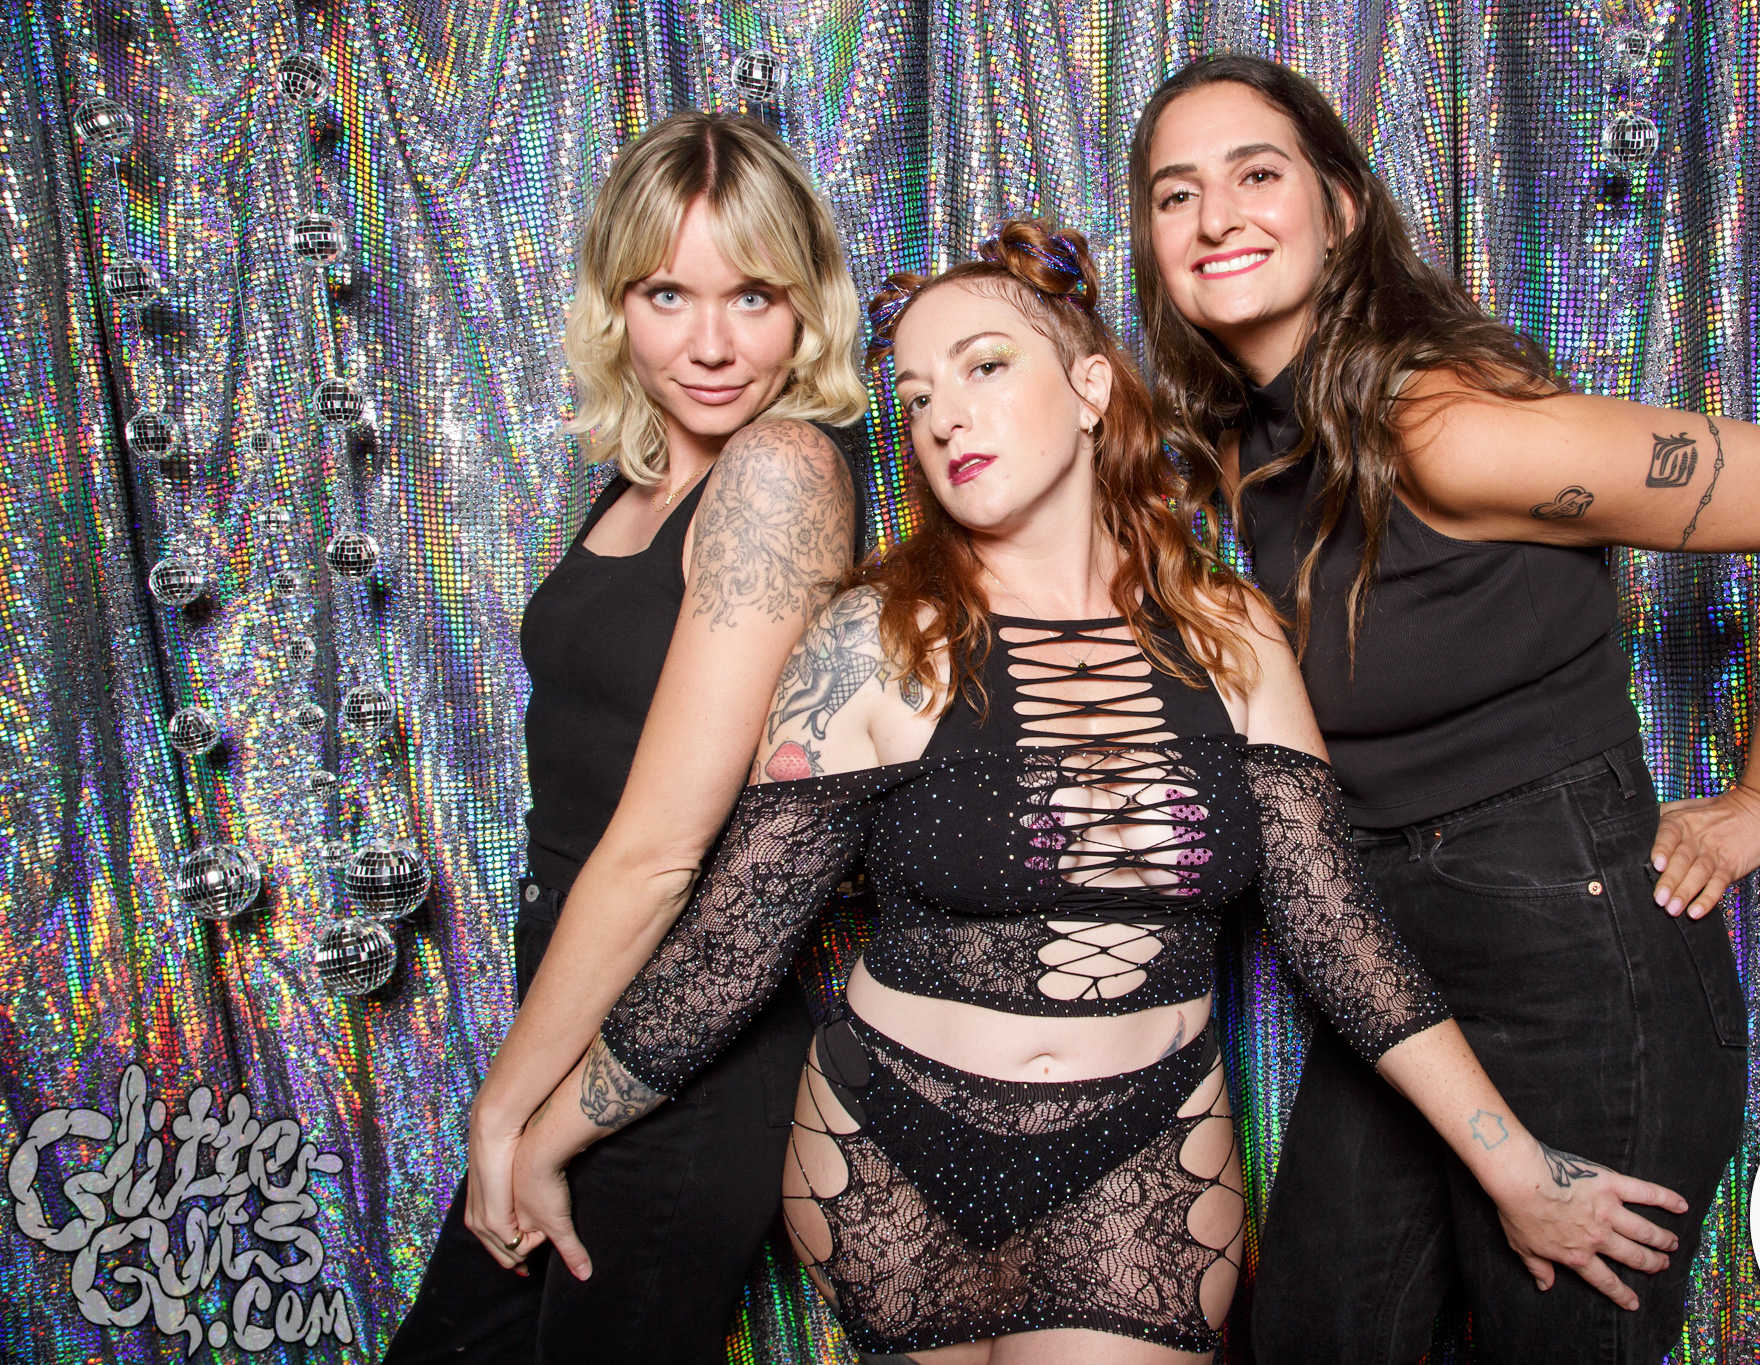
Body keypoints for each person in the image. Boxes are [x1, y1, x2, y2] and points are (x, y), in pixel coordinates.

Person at [500, 220, 1690, 1364]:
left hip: (1141, 1159)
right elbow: (732, 943)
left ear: (1087, 389)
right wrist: (539, 1140)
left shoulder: (1229, 634)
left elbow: (1334, 932)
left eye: (983, 366)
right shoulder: (873, 640)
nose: (942, 416)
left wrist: (1513, 1166)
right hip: (879, 1146)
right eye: (914, 397)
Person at [1127, 55, 1760, 1364]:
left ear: (1338, 207)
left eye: (1256, 175)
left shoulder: (1444, 426)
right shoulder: (1247, 441)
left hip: (1573, 953)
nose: (1215, 217)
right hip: (1393, 966)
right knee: (1315, 1333)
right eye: (1174, 193)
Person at [383, 110, 868, 1364]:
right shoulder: (648, 475)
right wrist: (522, 1081)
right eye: (666, 294)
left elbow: (660, 852)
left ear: (807, 304)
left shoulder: (779, 469)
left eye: (752, 295)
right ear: (615, 303)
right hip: (572, 1014)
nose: (709, 343)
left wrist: (501, 1110)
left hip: (674, 1066)